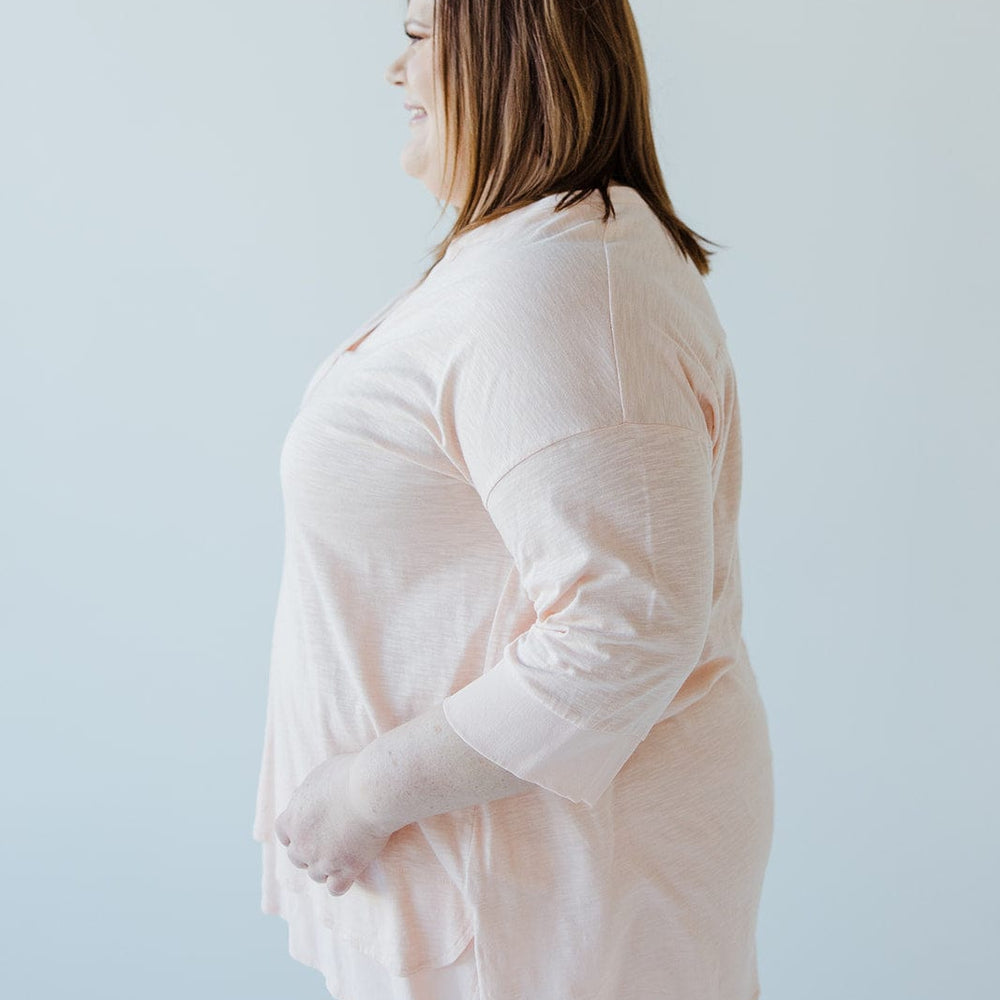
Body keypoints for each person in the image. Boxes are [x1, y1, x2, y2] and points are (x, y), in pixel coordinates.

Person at [251, 1, 775, 998]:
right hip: (500, 893)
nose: (394, 72)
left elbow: (621, 626)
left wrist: (368, 791)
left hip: (533, 910)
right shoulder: (538, 257)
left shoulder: (555, 291)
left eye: (415, 34)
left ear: (504, 45)